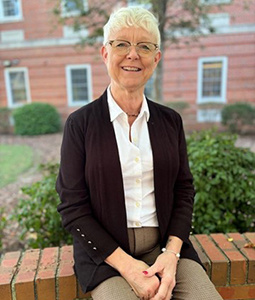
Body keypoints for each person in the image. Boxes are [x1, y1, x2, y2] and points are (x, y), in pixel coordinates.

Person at [56, 6, 223, 300]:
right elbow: (72, 208)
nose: (133, 54)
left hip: (168, 251)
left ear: (155, 59)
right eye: (121, 44)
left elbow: (184, 190)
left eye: (144, 46)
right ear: (105, 53)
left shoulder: (171, 121)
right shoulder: (80, 125)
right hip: (106, 259)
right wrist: (129, 269)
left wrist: (171, 255)